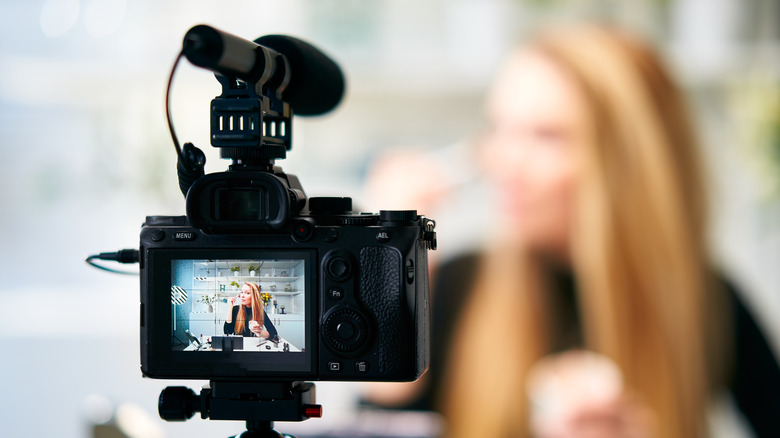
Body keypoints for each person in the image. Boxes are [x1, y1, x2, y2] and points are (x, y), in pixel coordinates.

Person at [363, 24, 780, 437]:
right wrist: (392, 280)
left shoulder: (705, 302)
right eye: (498, 128)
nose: (501, 161)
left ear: (630, 163)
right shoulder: (455, 285)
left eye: (546, 136)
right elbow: (375, 426)